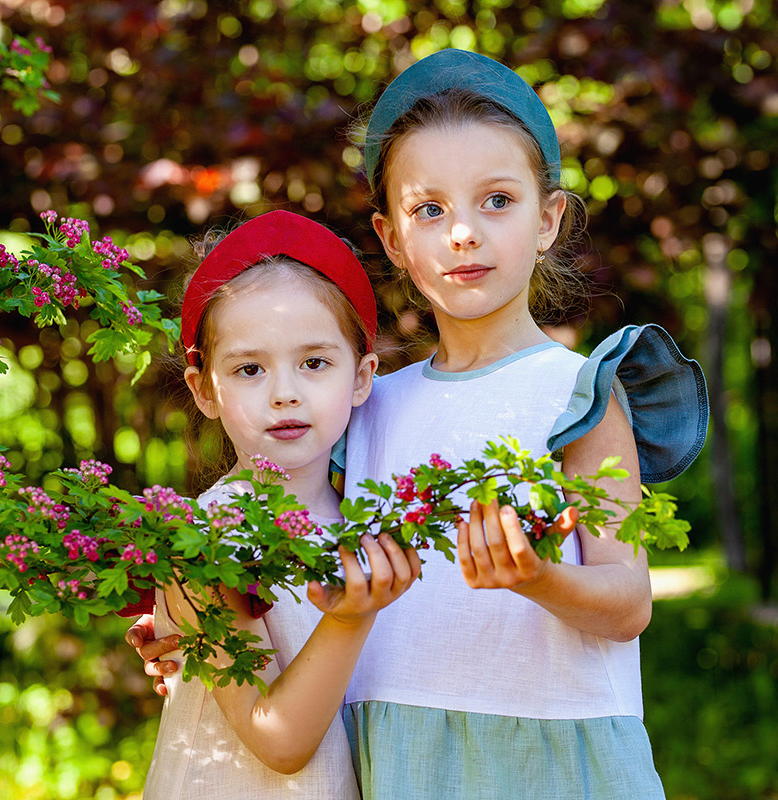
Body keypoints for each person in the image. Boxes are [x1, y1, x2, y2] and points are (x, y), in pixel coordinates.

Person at [130, 50, 708, 800]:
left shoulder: (578, 393)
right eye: (429, 209)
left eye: (497, 200)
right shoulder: (368, 408)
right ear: (394, 238)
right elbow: (288, 543)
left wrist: (536, 577)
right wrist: (186, 621)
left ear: (549, 218)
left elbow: (628, 601)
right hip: (396, 759)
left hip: (553, 756)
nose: (462, 233)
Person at [141, 209, 421, 799]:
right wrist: (348, 615)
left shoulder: (365, 517)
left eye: (314, 362)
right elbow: (279, 741)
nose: (285, 392)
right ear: (204, 389)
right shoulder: (209, 538)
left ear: (363, 376)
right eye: (249, 369)